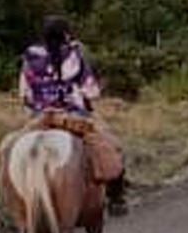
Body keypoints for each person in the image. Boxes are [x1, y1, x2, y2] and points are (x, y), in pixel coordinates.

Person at [19, 17, 127, 214]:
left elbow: (24, 93)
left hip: (40, 117)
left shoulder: (30, 56)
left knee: (9, 148)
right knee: (113, 148)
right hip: (73, 115)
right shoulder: (73, 54)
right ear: (66, 34)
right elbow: (90, 90)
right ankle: (116, 198)